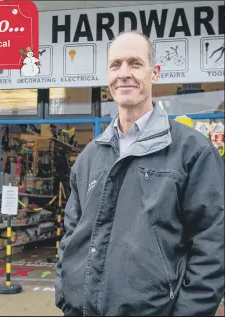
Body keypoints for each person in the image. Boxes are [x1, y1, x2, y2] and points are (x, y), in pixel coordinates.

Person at [55, 31, 224, 316]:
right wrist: (66, 294)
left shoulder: (192, 151)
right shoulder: (88, 157)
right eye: (115, 64)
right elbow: (71, 236)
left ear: (154, 72)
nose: (124, 73)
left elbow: (213, 243)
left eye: (134, 63)